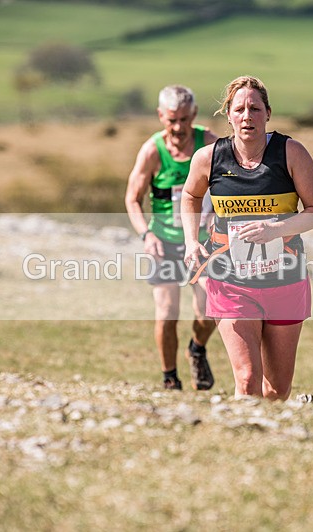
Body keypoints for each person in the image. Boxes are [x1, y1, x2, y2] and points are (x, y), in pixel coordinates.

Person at [181, 76, 313, 401]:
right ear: (229, 116)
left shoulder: (291, 153)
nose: (247, 116)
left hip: (285, 279)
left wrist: (275, 230)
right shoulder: (209, 158)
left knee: (276, 390)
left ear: (268, 114)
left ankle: (267, 432)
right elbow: (190, 196)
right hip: (230, 280)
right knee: (247, 380)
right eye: (239, 109)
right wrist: (191, 240)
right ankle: (242, 430)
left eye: (255, 109)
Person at [125, 85, 218, 391]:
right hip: (164, 243)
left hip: (202, 242)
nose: (179, 127)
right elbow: (132, 199)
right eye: (172, 120)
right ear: (160, 116)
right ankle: (170, 379)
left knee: (209, 310)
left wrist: (219, 215)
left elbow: (231, 187)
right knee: (167, 313)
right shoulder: (152, 151)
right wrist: (146, 234)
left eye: (185, 119)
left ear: (194, 114)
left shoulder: (211, 144)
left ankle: (197, 349)